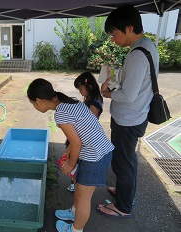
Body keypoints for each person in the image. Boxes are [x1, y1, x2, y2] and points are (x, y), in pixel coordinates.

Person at [27, 78, 114, 232]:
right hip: (96, 150)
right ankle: (74, 213)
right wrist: (68, 153)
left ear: (39, 101)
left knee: (83, 199)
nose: (34, 107)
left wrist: (70, 164)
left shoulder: (60, 114)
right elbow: (80, 133)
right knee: (80, 192)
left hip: (95, 155)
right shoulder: (70, 102)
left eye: (33, 103)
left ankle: (75, 229)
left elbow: (76, 144)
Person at [97, 5, 159, 217]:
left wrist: (107, 93)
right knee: (128, 159)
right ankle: (126, 192)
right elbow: (137, 86)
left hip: (128, 119)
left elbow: (127, 96)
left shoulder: (137, 55)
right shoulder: (147, 46)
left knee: (122, 163)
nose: (113, 40)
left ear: (129, 28)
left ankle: (123, 207)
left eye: (114, 34)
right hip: (138, 115)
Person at [66, 71, 103, 192]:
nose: (80, 92)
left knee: (77, 161)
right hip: (82, 137)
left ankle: (76, 183)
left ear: (89, 87)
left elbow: (87, 124)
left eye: (81, 89)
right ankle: (75, 181)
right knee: (76, 160)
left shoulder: (94, 103)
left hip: (85, 139)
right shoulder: (90, 98)